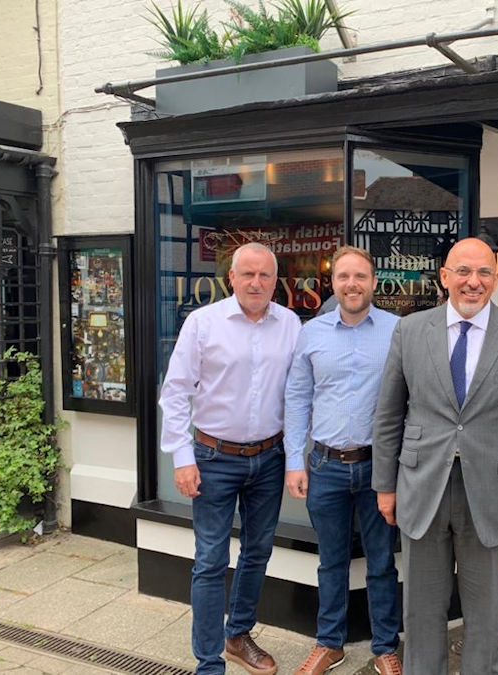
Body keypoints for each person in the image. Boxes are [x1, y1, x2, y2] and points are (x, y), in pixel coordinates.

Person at [373, 237, 498, 675]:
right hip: (421, 489)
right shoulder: (410, 330)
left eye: (484, 273)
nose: (473, 282)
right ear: (444, 277)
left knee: (487, 615)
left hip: (493, 494)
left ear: (497, 279)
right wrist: (384, 485)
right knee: (421, 612)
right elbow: (388, 413)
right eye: (463, 272)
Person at [159, 243, 301, 675]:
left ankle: (238, 635)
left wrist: (295, 455)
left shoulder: (291, 324)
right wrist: (182, 457)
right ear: (231, 278)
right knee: (210, 560)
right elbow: (176, 392)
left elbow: (297, 396)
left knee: (258, 551)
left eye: (264, 276)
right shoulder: (203, 323)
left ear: (276, 282)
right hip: (212, 456)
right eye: (247, 274)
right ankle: (208, 662)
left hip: (269, 457)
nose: (256, 283)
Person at [284, 246, 402, 675]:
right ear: (331, 283)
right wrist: (294, 461)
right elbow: (296, 398)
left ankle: (385, 647)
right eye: (343, 277)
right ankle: (329, 643)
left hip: (380, 468)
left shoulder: (397, 330)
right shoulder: (311, 333)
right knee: (331, 560)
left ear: (374, 282)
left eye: (360, 277)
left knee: (382, 562)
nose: (351, 284)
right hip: (324, 466)